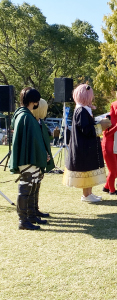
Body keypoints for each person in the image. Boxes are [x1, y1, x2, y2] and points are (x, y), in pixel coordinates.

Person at [9, 88, 52, 230]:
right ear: (34, 102)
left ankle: (30, 215)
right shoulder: (26, 116)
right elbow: (34, 141)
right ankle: (23, 220)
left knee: (30, 186)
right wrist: (42, 155)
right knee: (25, 188)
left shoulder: (21, 114)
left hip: (26, 157)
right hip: (27, 159)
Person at [63, 84, 111, 203]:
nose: (92, 97)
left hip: (88, 145)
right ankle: (86, 194)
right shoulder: (80, 111)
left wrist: (99, 123)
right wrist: (101, 126)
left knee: (90, 168)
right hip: (83, 146)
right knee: (86, 169)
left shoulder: (85, 110)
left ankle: (89, 193)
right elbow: (86, 129)